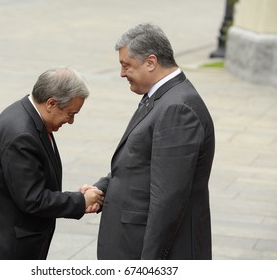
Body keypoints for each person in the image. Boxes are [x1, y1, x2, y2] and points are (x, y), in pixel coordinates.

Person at [90, 23, 215, 259]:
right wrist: (103, 188)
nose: (121, 73)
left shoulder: (177, 109)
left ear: (150, 62)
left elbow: (168, 199)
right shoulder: (163, 97)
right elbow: (141, 163)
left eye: (126, 65)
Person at [0, 67, 103, 260]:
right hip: (0, 248)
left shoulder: (25, 112)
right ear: (51, 103)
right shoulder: (22, 135)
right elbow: (33, 199)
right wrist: (81, 201)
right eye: (70, 113)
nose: (71, 121)